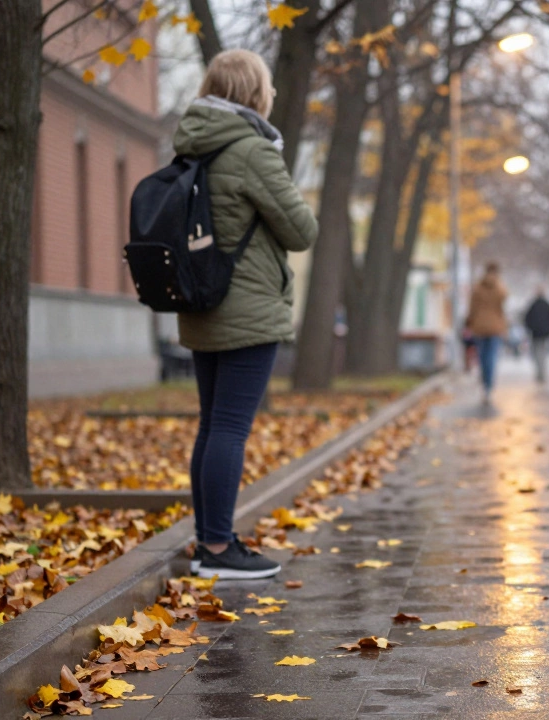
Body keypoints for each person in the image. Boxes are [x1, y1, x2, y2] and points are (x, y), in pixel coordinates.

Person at [176, 49, 318, 579]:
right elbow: (302, 230)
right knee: (230, 428)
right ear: (254, 93)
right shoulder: (251, 151)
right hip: (248, 307)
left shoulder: (193, 145)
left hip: (201, 302)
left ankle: (209, 539)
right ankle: (216, 549)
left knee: (212, 425)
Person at [466, 262, 508, 403]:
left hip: (479, 327)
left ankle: (484, 383)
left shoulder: (477, 288)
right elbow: (503, 305)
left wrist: (470, 322)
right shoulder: (499, 288)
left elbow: (472, 309)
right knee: (491, 357)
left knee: (482, 357)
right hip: (495, 328)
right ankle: (488, 386)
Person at [523, 287, 549, 383]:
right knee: (543, 353)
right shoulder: (548, 304)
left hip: (535, 334)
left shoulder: (533, 305)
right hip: (545, 334)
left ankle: (540, 373)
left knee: (537, 354)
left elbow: (526, 318)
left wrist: (530, 328)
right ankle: (542, 373)